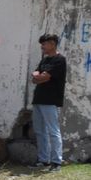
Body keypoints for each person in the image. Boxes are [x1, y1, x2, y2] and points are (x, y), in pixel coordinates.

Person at [30, 33, 67, 171]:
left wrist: (39, 76)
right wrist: (39, 76)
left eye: (44, 44)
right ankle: (43, 160)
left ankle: (56, 162)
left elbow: (43, 77)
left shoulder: (59, 60)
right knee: (40, 131)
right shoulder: (44, 60)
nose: (42, 47)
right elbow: (34, 79)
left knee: (53, 131)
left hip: (50, 100)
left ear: (52, 44)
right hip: (38, 99)